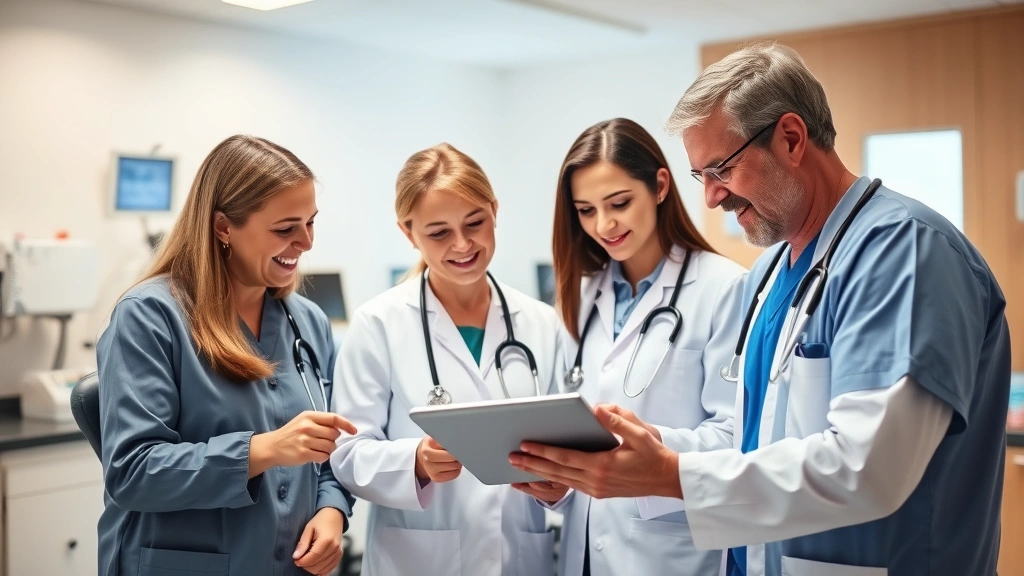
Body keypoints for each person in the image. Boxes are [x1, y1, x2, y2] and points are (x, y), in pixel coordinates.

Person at [510, 42, 1011, 576]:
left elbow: (868, 470)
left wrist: (669, 473)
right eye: (701, 177)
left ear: (791, 139)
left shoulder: (903, 251)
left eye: (721, 170)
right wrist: (644, 448)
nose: (711, 198)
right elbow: (759, 443)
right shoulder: (769, 276)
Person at [97, 135, 357, 576]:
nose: (306, 242)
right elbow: (132, 471)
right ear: (223, 227)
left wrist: (333, 510)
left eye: (311, 222)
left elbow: (335, 445)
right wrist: (263, 449)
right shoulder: (150, 316)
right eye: (285, 228)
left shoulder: (307, 321)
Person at [516, 118, 745, 576]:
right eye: (585, 210)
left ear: (660, 185)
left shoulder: (724, 288)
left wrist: (651, 445)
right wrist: (555, 480)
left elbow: (737, 436)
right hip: (583, 553)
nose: (604, 224)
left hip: (670, 551)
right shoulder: (578, 295)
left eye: (619, 202)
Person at [329, 142, 567, 576]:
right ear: (408, 232)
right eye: (438, 233)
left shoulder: (539, 322)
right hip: (417, 561)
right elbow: (347, 455)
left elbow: (568, 445)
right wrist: (414, 460)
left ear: (495, 210)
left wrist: (556, 487)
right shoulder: (377, 324)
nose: (462, 244)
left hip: (519, 557)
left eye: (475, 222)